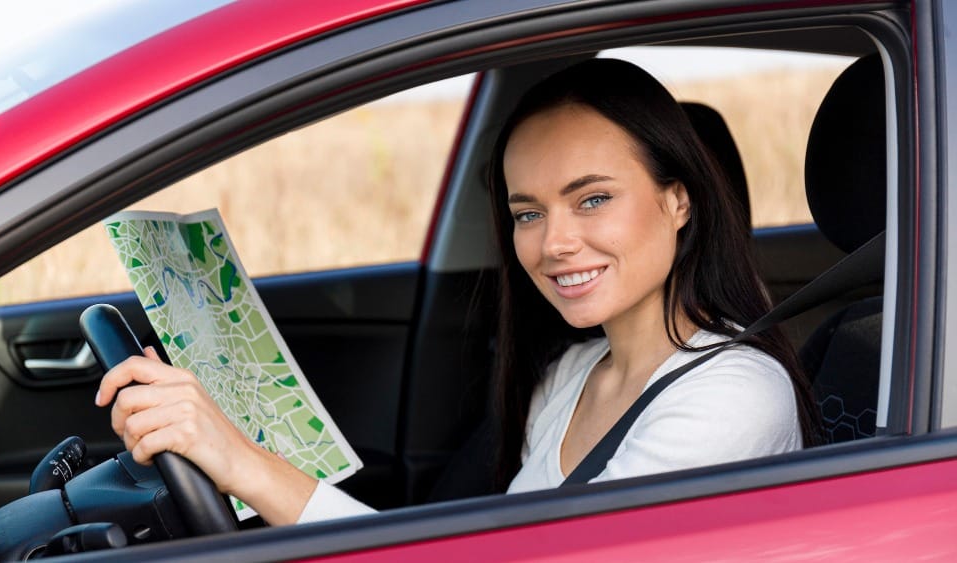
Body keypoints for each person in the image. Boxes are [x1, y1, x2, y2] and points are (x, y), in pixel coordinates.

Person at [94, 59, 822, 526]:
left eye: (592, 199)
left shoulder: (734, 396)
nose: (553, 242)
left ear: (679, 201)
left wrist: (243, 462)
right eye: (527, 212)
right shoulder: (571, 376)